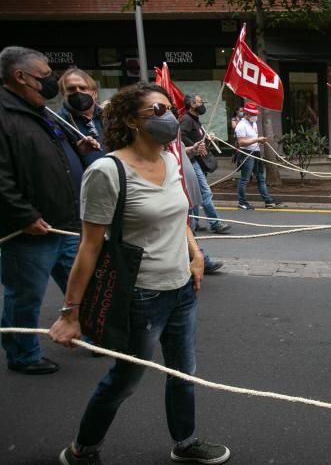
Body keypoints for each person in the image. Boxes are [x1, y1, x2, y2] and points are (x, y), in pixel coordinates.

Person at [48, 83, 231, 465]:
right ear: (131, 120)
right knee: (125, 379)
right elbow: (89, 247)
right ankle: (83, 449)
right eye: (157, 110)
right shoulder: (106, 170)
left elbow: (178, 215)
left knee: (185, 373)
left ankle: (185, 442)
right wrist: (70, 313)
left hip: (182, 288)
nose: (168, 117)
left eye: (168, 108)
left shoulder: (169, 158)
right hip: (139, 296)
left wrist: (196, 255)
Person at [0, 46, 99, 375]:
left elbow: (51, 155)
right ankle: (23, 354)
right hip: (33, 229)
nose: (50, 82)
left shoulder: (42, 111)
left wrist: (77, 147)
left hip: (66, 223)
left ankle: (90, 334)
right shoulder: (5, 115)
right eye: (44, 76)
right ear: (21, 76)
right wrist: (23, 215)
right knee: (25, 295)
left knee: (81, 285)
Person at [180, 94, 231, 234]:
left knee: (194, 193)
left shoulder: (195, 121)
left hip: (198, 162)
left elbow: (197, 138)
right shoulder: (186, 119)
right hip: (192, 161)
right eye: (200, 102)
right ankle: (215, 223)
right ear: (192, 105)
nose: (203, 104)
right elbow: (181, 136)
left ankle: (193, 222)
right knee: (205, 192)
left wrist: (207, 139)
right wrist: (195, 147)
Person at [234, 102, 282, 210]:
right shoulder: (241, 126)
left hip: (256, 152)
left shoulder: (253, 123)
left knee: (261, 178)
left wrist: (259, 141)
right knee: (244, 179)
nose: (255, 116)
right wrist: (257, 139)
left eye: (256, 114)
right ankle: (242, 202)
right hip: (246, 154)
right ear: (246, 113)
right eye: (252, 114)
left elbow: (252, 138)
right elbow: (241, 143)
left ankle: (268, 201)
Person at [57, 67, 106, 165]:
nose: (77, 92)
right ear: (64, 94)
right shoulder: (57, 123)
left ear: (94, 93)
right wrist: (77, 152)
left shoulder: (109, 117)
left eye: (83, 88)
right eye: (71, 89)